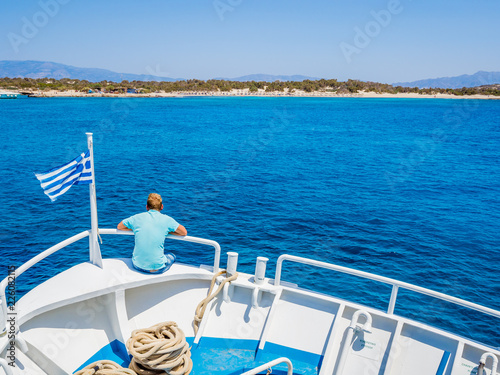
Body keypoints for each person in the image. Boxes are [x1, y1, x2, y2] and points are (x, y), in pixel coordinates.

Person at [117, 193, 187, 274]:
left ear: (147, 207)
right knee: (172, 256)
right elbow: (183, 232)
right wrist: (167, 231)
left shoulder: (137, 218)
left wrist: (135, 228)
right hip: (158, 269)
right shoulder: (167, 220)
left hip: (137, 265)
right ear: (162, 207)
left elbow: (120, 226)